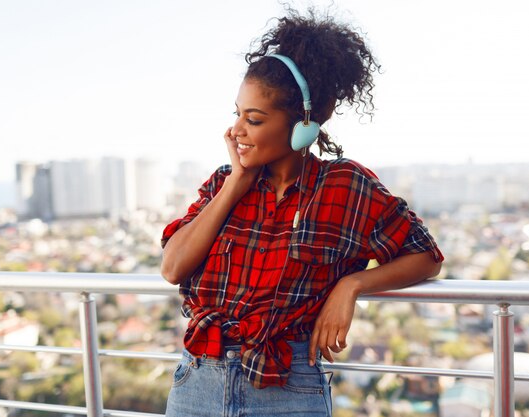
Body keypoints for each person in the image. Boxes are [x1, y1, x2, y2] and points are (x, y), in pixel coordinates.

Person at [160, 8, 443, 417]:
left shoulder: (346, 186)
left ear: (306, 121)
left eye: (253, 119)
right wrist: (234, 186)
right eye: (236, 113)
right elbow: (172, 268)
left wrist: (352, 285)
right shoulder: (224, 181)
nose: (235, 130)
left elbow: (426, 257)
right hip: (198, 381)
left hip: (289, 388)